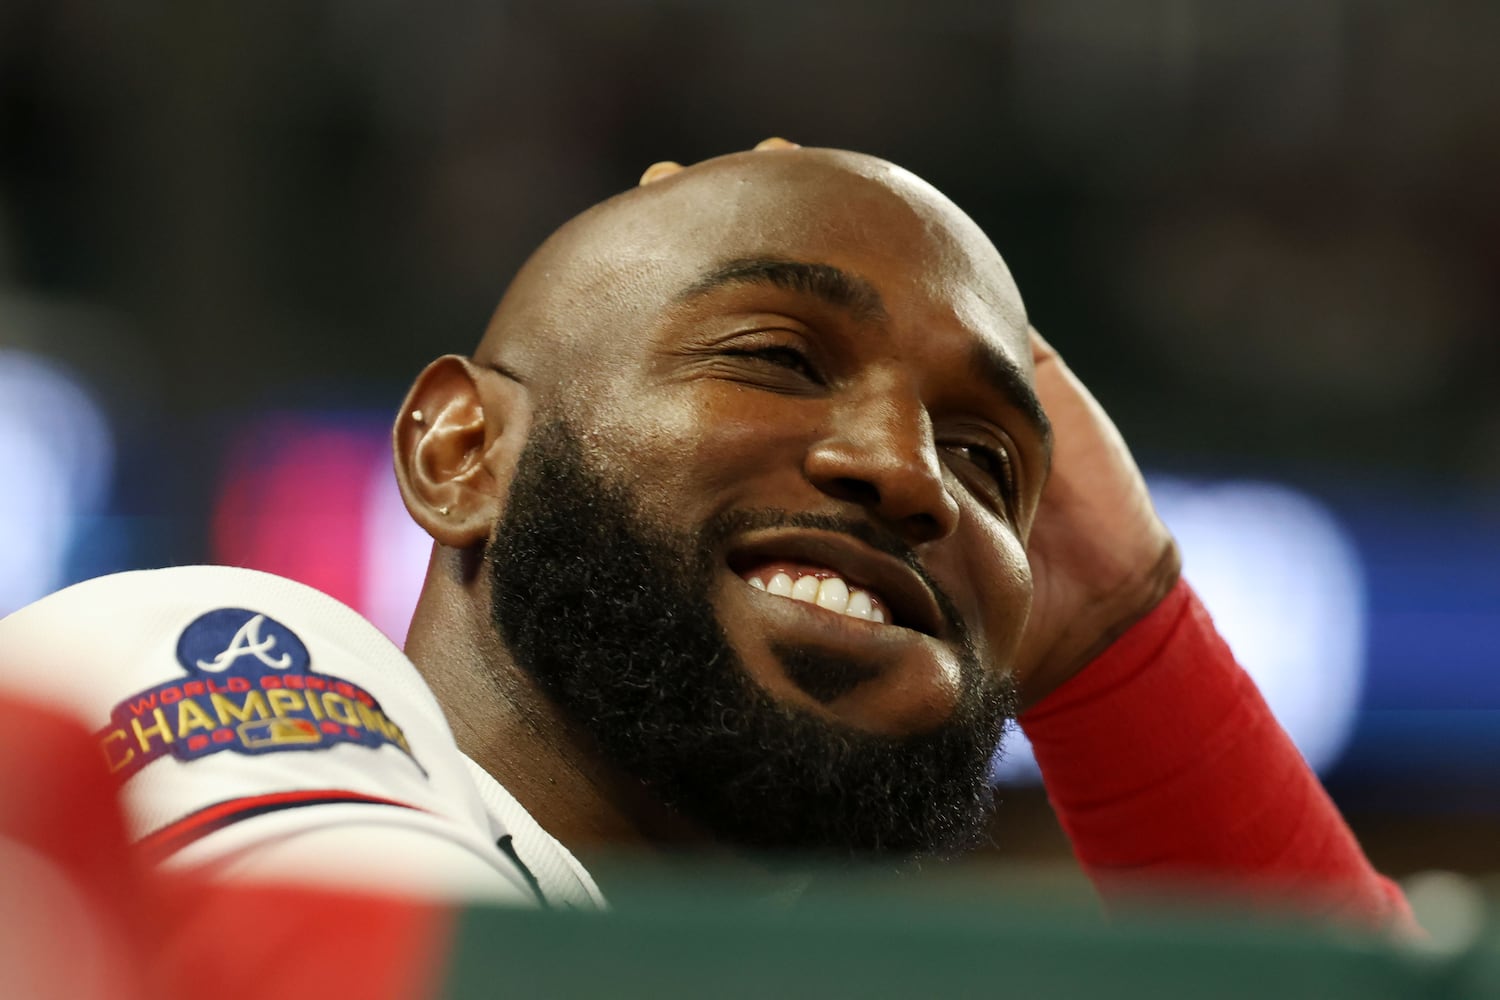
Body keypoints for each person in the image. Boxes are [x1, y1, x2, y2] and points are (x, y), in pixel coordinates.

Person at [0, 142, 1412, 930]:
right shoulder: (201, 662)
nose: (911, 475)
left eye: (986, 462)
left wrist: (1121, 642)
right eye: (779, 357)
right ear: (460, 450)